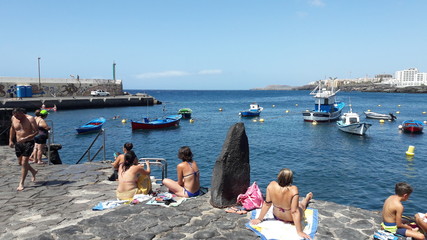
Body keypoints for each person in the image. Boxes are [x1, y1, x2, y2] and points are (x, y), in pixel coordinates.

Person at [250, 168, 313, 240]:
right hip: (290, 219)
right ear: (290, 179)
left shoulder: (271, 185)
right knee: (301, 206)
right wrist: (299, 231)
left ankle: (306, 199)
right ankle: (307, 199)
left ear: (278, 177)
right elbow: (294, 211)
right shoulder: (293, 189)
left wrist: (259, 219)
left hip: (277, 216)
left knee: (295, 205)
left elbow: (267, 204)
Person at [9, 107, 39, 191]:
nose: (17, 117)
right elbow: (12, 129)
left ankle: (21, 183)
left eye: (18, 115)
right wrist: (10, 140)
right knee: (20, 162)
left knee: (24, 162)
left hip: (28, 142)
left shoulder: (30, 119)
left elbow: (36, 132)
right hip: (18, 143)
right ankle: (33, 171)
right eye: (15, 116)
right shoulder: (13, 118)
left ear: (22, 113)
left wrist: (26, 138)